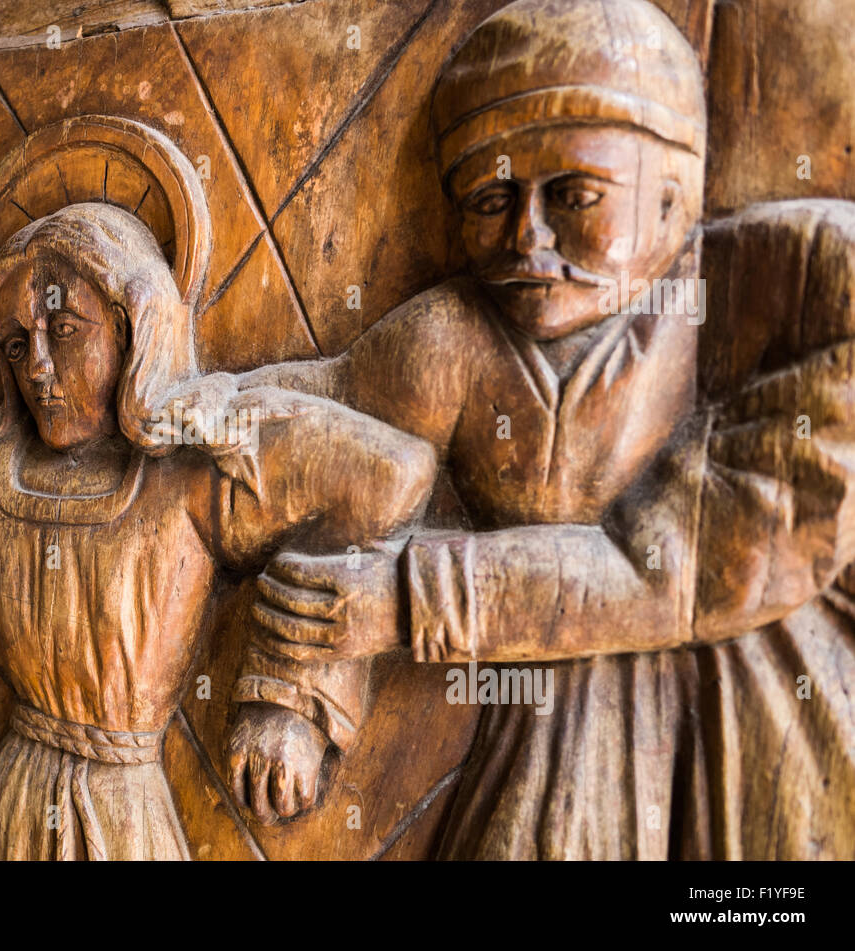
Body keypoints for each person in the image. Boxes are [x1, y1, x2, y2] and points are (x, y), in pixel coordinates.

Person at [234, 0, 855, 860]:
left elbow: (679, 566)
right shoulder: (451, 340)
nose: (527, 236)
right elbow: (341, 457)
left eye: (575, 194)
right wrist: (292, 696)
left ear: (677, 195)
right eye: (490, 199)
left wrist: (412, 597)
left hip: (750, 721)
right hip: (557, 735)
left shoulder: (776, 296)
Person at [0, 200, 436, 859]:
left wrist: (292, 690)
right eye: (15, 343)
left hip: (121, 809)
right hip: (8, 802)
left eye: (64, 329)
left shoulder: (186, 473)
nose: (36, 366)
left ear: (133, 327)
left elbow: (392, 473)